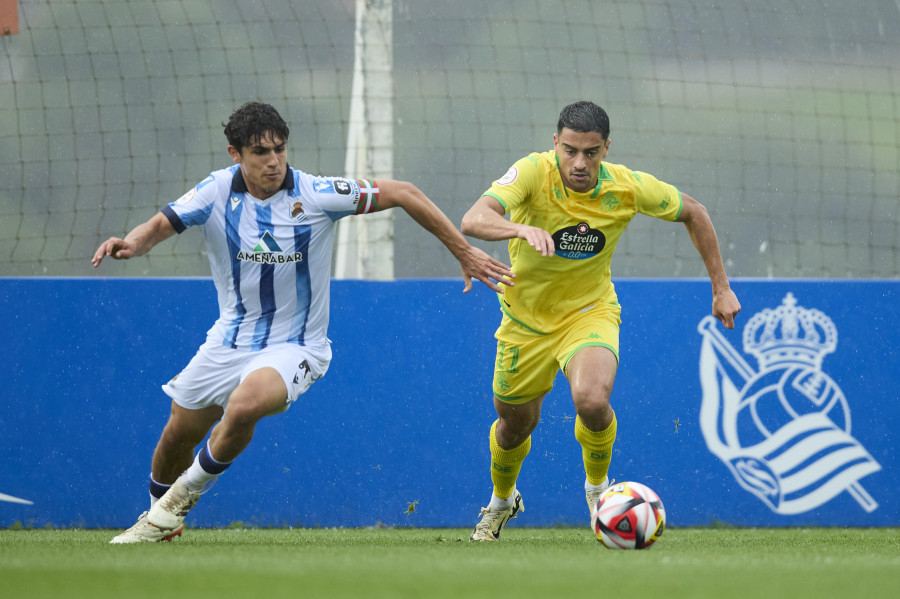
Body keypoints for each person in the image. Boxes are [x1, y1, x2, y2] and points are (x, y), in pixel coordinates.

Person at [92, 101, 514, 543]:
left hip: (296, 347)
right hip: (229, 340)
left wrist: (462, 251)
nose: (273, 161)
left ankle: (177, 502)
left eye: (279, 149)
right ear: (235, 153)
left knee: (245, 405)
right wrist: (133, 243)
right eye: (260, 152)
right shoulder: (216, 191)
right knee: (178, 433)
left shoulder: (316, 194)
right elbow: (164, 223)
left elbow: (405, 192)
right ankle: (159, 516)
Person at [460, 100, 741, 541]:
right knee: (514, 426)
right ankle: (501, 501)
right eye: (569, 150)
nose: (578, 163)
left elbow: (695, 212)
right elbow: (473, 219)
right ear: (555, 144)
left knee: (591, 400)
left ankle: (599, 493)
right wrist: (519, 229)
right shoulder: (533, 172)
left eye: (590, 152)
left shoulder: (626, 187)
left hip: (589, 312)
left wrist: (720, 286)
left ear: (606, 149)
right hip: (524, 321)